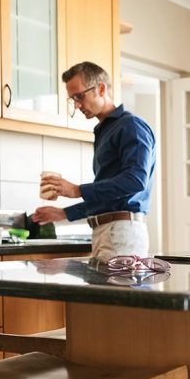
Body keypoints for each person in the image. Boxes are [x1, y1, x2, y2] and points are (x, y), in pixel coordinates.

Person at [32, 61, 155, 261]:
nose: (77, 105)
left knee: (117, 293)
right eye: (73, 99)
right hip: (109, 231)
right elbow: (109, 199)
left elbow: (136, 180)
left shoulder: (130, 126)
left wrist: (78, 190)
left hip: (121, 232)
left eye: (80, 96)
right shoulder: (106, 131)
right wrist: (64, 213)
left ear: (101, 88)